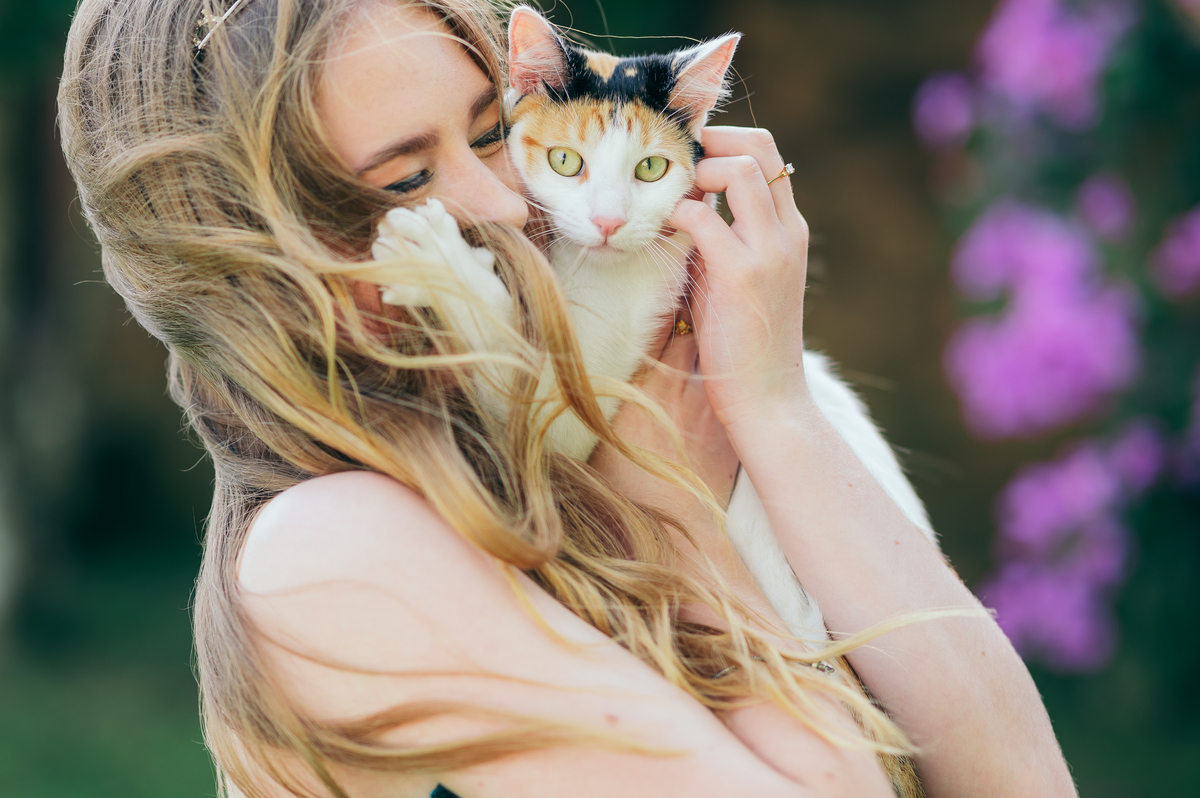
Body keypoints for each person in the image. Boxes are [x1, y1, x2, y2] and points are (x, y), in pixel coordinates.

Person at [57, 0, 1077, 796]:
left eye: (496, 128)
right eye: (408, 180)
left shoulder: (636, 399)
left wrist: (771, 406)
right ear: (249, 267)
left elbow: (1026, 786)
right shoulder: (328, 555)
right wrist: (671, 513)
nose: (504, 204)